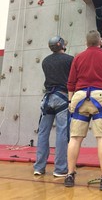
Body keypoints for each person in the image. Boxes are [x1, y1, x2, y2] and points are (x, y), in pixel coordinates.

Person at [64, 30, 102, 191]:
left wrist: (70, 101)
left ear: (86, 43)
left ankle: (69, 175)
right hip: (101, 97)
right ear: (100, 42)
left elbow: (71, 82)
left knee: (75, 138)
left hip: (79, 97)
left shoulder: (78, 58)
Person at [34, 36, 74, 177]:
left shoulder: (45, 61)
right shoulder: (70, 60)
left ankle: (39, 167)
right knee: (62, 133)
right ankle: (60, 168)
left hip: (47, 99)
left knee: (43, 132)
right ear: (62, 45)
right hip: (62, 97)